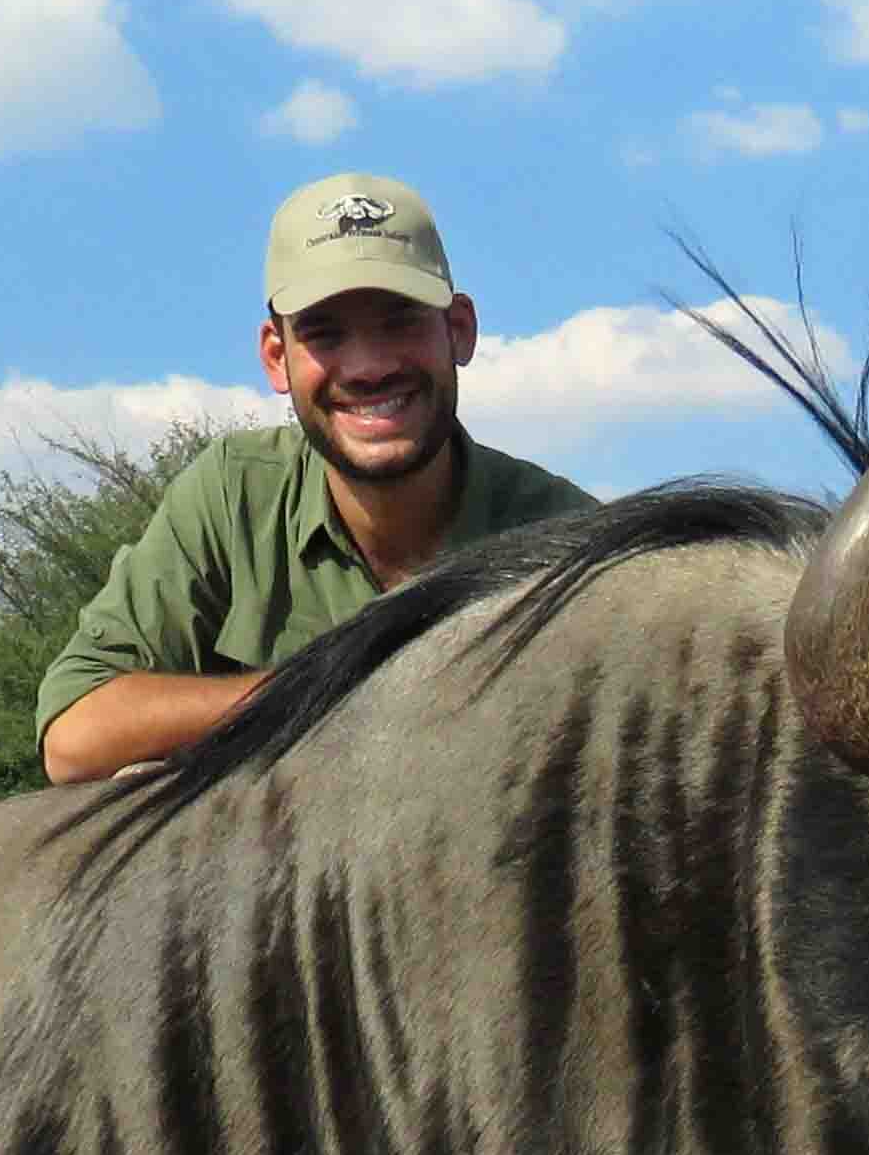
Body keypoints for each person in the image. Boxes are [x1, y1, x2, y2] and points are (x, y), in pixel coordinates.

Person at [35, 173, 597, 782]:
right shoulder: (233, 493)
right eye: (325, 334)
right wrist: (338, 688)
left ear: (459, 331)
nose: (368, 367)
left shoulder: (570, 539)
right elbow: (75, 736)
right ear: (277, 357)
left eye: (401, 321)